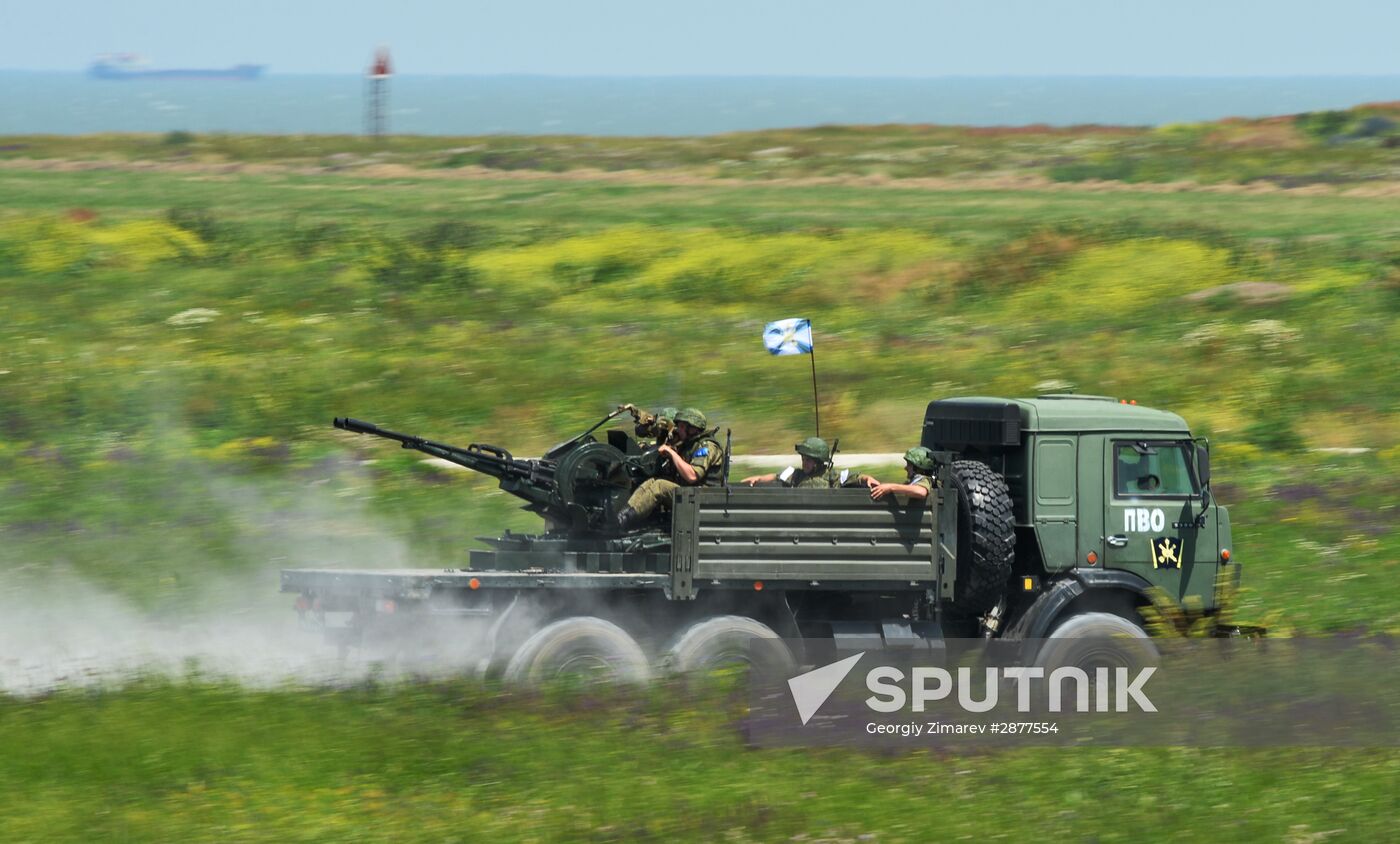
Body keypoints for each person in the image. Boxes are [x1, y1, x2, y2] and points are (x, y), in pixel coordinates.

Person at [616, 407, 725, 530]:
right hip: (691, 494)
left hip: (703, 499)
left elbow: (692, 476)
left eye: (682, 426)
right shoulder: (689, 444)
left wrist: (672, 453)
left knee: (660, 486)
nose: (679, 429)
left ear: (693, 428)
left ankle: (623, 522)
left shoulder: (707, 447)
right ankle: (621, 516)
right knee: (652, 481)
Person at [741, 436, 840, 488]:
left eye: (808, 460)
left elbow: (847, 482)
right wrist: (758, 478)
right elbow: (775, 476)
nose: (804, 463)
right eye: (803, 459)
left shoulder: (831, 475)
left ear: (818, 462)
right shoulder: (796, 474)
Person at [866, 446, 937, 502]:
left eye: (909, 465)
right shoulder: (915, 481)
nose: (905, 468)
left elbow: (921, 491)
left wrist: (891, 487)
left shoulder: (924, 480)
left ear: (917, 468)